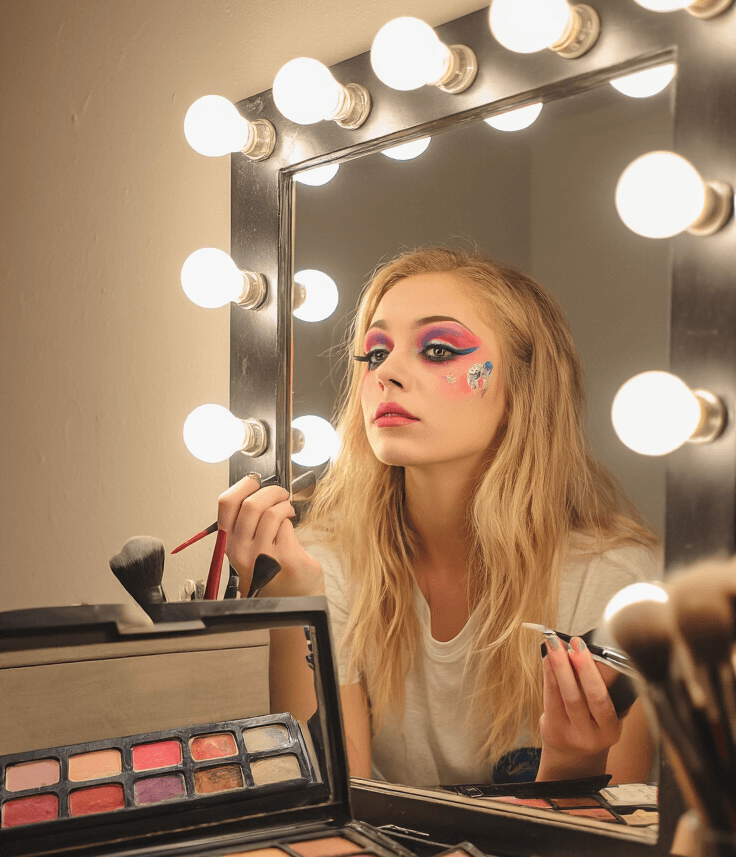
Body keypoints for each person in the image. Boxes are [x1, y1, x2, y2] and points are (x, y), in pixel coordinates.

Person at [218, 247, 660, 788]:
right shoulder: (320, 565)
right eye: (375, 354)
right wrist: (292, 608)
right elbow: (324, 810)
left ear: (523, 386)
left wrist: (571, 766)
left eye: (437, 348)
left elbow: (603, 849)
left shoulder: (613, 582)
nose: (389, 374)